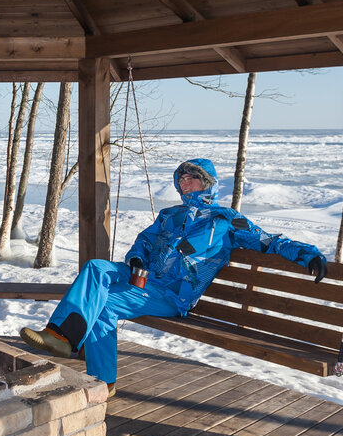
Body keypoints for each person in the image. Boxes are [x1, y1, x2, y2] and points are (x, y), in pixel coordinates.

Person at [19, 158, 327, 395]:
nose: (184, 180)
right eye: (181, 176)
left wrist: (307, 253)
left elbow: (268, 241)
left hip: (171, 294)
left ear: (208, 182)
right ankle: (60, 336)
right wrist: (137, 256)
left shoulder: (227, 220)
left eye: (192, 176)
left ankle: (102, 381)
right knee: (95, 268)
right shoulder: (170, 215)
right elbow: (145, 239)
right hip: (143, 278)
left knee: (106, 306)